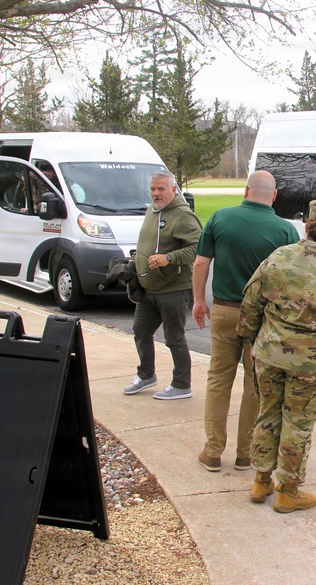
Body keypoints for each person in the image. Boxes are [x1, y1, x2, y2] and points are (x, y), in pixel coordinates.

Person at [237, 200, 316, 513]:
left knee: (268, 413)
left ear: (306, 227)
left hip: (269, 355)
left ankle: (260, 482)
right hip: (311, 365)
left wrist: (252, 340)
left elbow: (251, 302)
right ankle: (288, 492)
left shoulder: (278, 257)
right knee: (298, 423)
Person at [191, 171, 299, 473]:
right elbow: (290, 282)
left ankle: (212, 452)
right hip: (262, 320)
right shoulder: (286, 230)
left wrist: (199, 301)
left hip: (224, 312)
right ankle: (245, 455)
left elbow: (200, 262)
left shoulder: (219, 218)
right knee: (255, 386)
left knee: (218, 380)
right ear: (274, 196)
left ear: (245, 190)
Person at [123, 170, 202, 399]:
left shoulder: (183, 216)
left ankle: (181, 385)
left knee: (174, 338)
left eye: (161, 189)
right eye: (153, 189)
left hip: (173, 289)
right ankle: (146, 375)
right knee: (140, 331)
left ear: (174, 189)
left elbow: (198, 249)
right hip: (148, 288)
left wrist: (169, 258)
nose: (156, 193)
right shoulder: (152, 210)